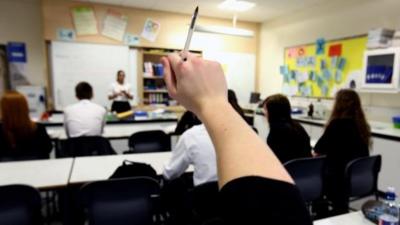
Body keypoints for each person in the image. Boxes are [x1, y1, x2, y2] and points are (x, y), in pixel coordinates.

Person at [161, 52, 312, 225]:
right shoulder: (257, 133)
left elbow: (170, 173)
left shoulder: (191, 136)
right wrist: (215, 102)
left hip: (205, 203)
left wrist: (210, 103)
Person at [163, 89, 245, 186]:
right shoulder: (247, 133)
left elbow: (169, 174)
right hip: (239, 197)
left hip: (204, 199)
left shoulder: (192, 136)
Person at [314, 89, 371, 216]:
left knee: (314, 173)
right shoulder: (362, 126)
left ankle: (321, 214)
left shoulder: (336, 125)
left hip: (337, 180)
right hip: (357, 177)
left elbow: (318, 149)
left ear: (338, 105)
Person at [0, 91, 52, 161]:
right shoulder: (39, 128)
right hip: (37, 168)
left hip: (5, 170)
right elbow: (48, 148)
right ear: (25, 107)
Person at [263, 94, 312, 163]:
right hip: (304, 171)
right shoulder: (298, 126)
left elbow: (274, 161)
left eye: (265, 109)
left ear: (273, 111)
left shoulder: (276, 132)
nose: (264, 113)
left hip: (286, 171)